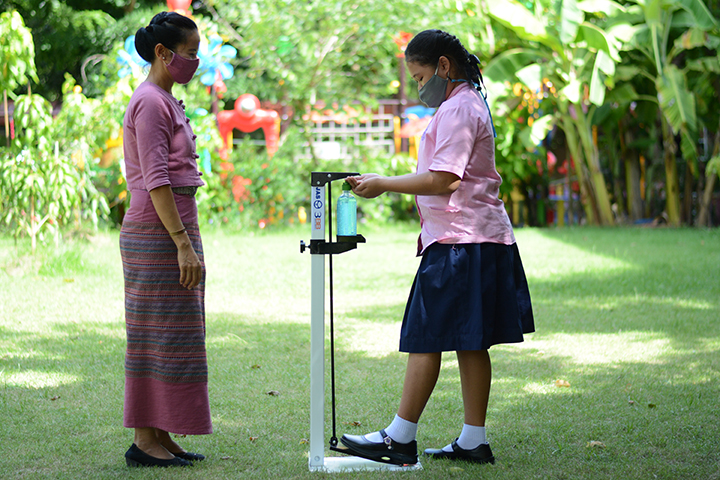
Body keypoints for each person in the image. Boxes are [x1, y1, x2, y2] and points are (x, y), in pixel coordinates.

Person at [337, 29, 534, 466]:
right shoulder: (462, 104)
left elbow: (445, 179)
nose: (418, 84)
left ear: (444, 66)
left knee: (426, 334)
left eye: (420, 74)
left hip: (462, 242)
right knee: (471, 341)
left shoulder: (460, 109)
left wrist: (383, 184)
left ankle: (399, 438)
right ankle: (472, 441)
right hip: (477, 238)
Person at [119, 11, 211, 467]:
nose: (195, 61)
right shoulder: (151, 101)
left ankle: (160, 432)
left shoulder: (166, 98)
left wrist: (185, 236)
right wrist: (180, 241)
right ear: (162, 52)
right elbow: (156, 179)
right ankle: (143, 440)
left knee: (176, 336)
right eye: (190, 53)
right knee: (155, 335)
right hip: (157, 232)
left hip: (173, 227)